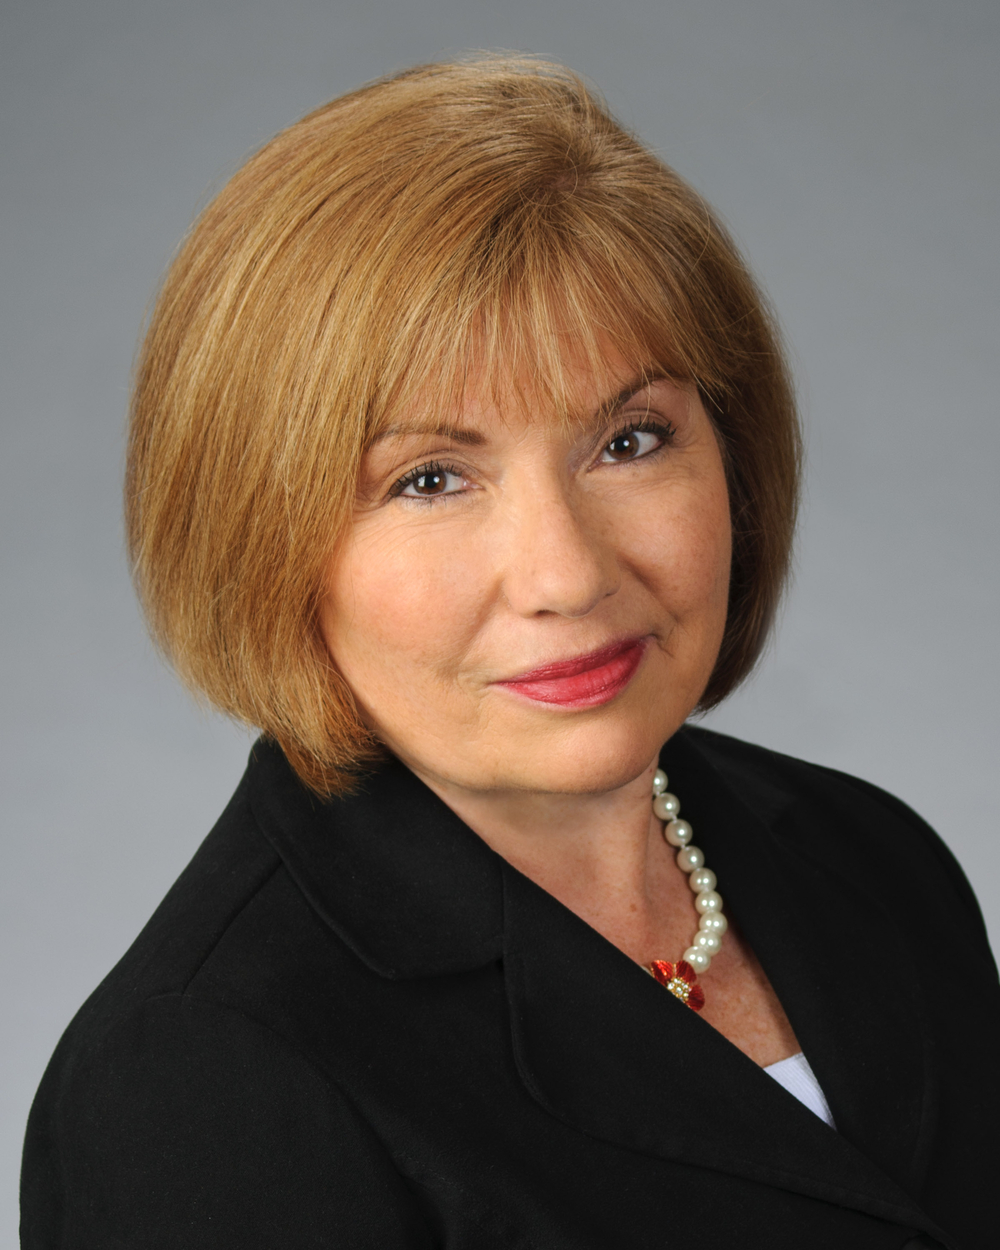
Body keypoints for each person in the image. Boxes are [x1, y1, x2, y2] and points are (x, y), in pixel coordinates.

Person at [20, 55, 998, 1249]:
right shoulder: (200, 1081)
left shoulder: (875, 858)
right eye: (430, 479)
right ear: (262, 535)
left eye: (629, 440)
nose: (566, 574)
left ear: (733, 457)